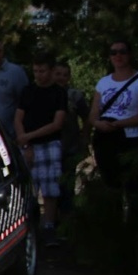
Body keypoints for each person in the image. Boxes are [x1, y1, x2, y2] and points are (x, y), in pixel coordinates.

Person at [14, 55, 68, 247]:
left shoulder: (58, 93)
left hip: (49, 143)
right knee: (28, 188)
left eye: (42, 71)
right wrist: (25, 143)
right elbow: (18, 118)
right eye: (36, 71)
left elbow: (57, 123)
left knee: (50, 188)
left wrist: (30, 136)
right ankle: (27, 227)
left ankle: (49, 226)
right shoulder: (28, 91)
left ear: (51, 71)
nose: (39, 75)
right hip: (28, 145)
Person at [88, 39, 138, 190]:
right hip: (105, 139)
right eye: (113, 52)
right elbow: (93, 113)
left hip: (131, 138)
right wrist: (98, 124)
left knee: (134, 185)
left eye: (122, 52)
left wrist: (117, 124)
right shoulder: (103, 82)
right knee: (111, 184)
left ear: (129, 54)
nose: (118, 55)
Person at [54, 60, 90, 215]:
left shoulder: (75, 95)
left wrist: (85, 136)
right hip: (50, 146)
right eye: (58, 74)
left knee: (67, 186)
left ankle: (67, 219)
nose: (61, 78)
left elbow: (87, 117)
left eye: (65, 75)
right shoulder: (44, 94)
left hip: (69, 146)